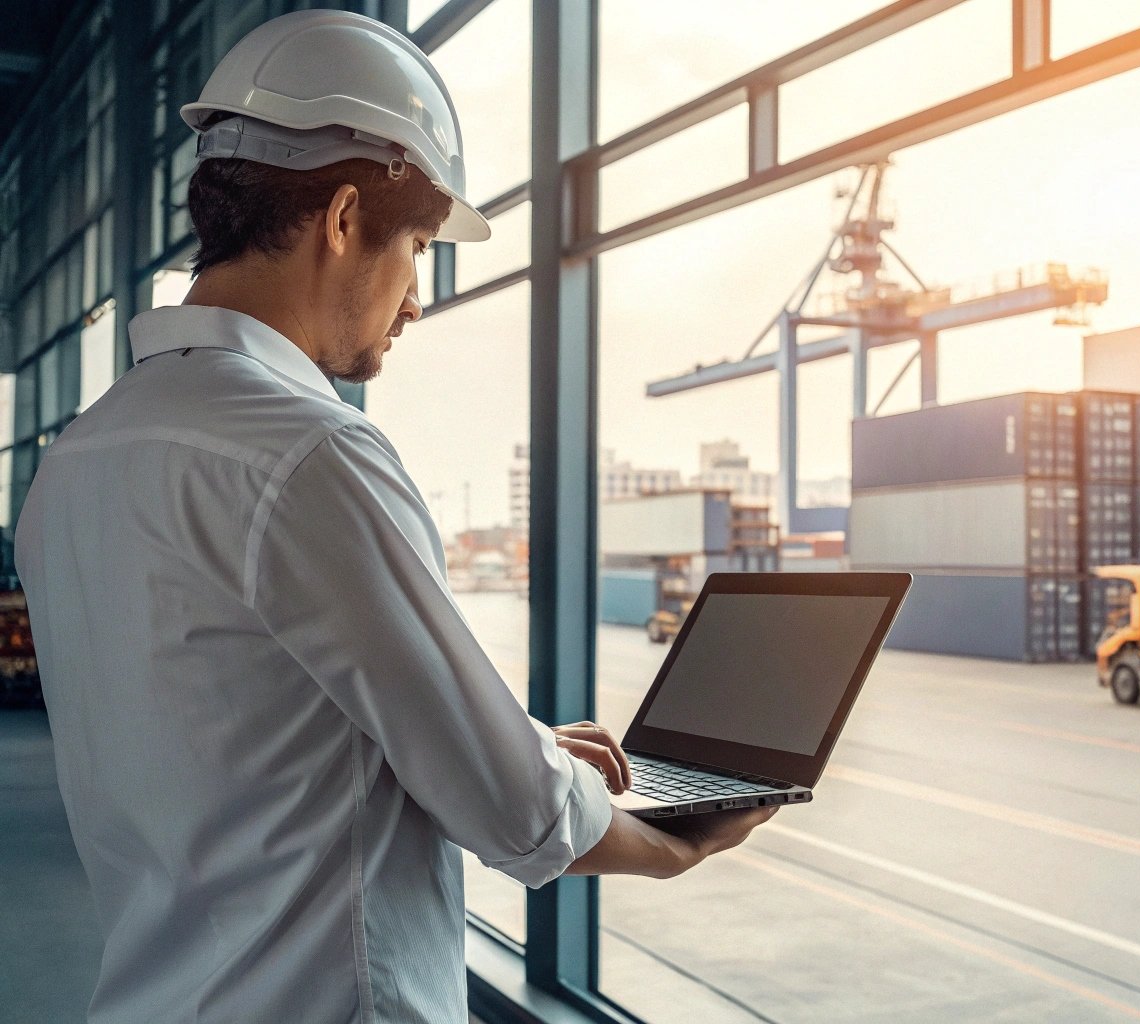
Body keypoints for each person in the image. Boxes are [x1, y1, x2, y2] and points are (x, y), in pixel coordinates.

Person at [14, 12, 771, 1023]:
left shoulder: (80, 455)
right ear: (339, 218)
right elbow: (516, 811)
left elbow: (249, 724)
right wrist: (664, 845)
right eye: (416, 244)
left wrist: (526, 740)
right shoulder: (308, 453)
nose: (414, 300)